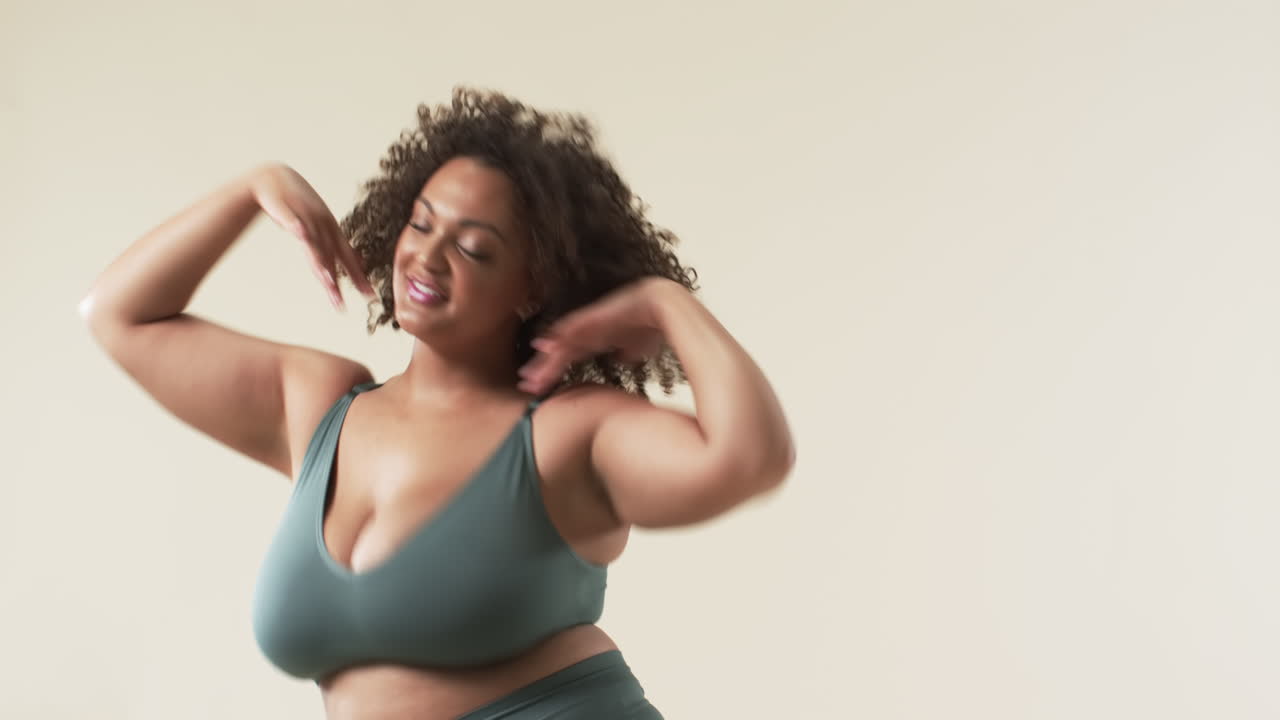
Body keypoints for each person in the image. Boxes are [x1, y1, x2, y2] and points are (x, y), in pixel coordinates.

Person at [80, 86, 796, 720]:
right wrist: (251, 189)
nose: (427, 257)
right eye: (422, 225)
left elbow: (750, 459)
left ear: (532, 287)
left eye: (475, 248)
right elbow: (120, 315)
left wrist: (667, 305)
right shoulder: (321, 405)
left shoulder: (563, 433)